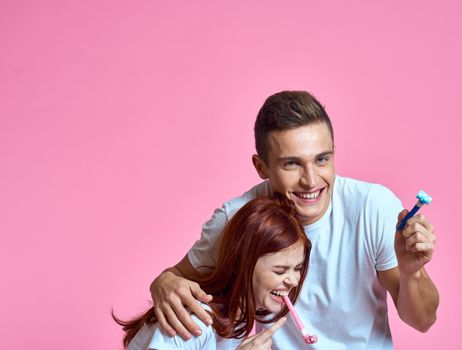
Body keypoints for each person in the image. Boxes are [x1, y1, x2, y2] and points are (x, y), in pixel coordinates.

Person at [150, 91, 439, 349]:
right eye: (292, 163)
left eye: (322, 160)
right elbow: (176, 279)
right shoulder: (238, 221)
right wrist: (163, 282)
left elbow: (423, 321)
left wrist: (412, 272)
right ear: (261, 167)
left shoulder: (372, 207)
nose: (311, 180)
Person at [114, 194, 312, 349]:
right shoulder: (196, 320)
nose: (293, 281)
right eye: (280, 271)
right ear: (242, 264)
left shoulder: (234, 321)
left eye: (297, 269)